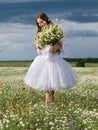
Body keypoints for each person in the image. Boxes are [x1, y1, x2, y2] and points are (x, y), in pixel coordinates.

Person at [24, 12, 78, 105]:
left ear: (46, 20)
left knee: (51, 90)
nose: (40, 24)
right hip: (44, 62)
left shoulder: (54, 32)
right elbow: (39, 51)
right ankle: (48, 106)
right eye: (38, 23)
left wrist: (59, 45)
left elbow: (62, 46)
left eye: (42, 22)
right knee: (48, 89)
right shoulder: (39, 34)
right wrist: (50, 48)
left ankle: (49, 106)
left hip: (54, 62)